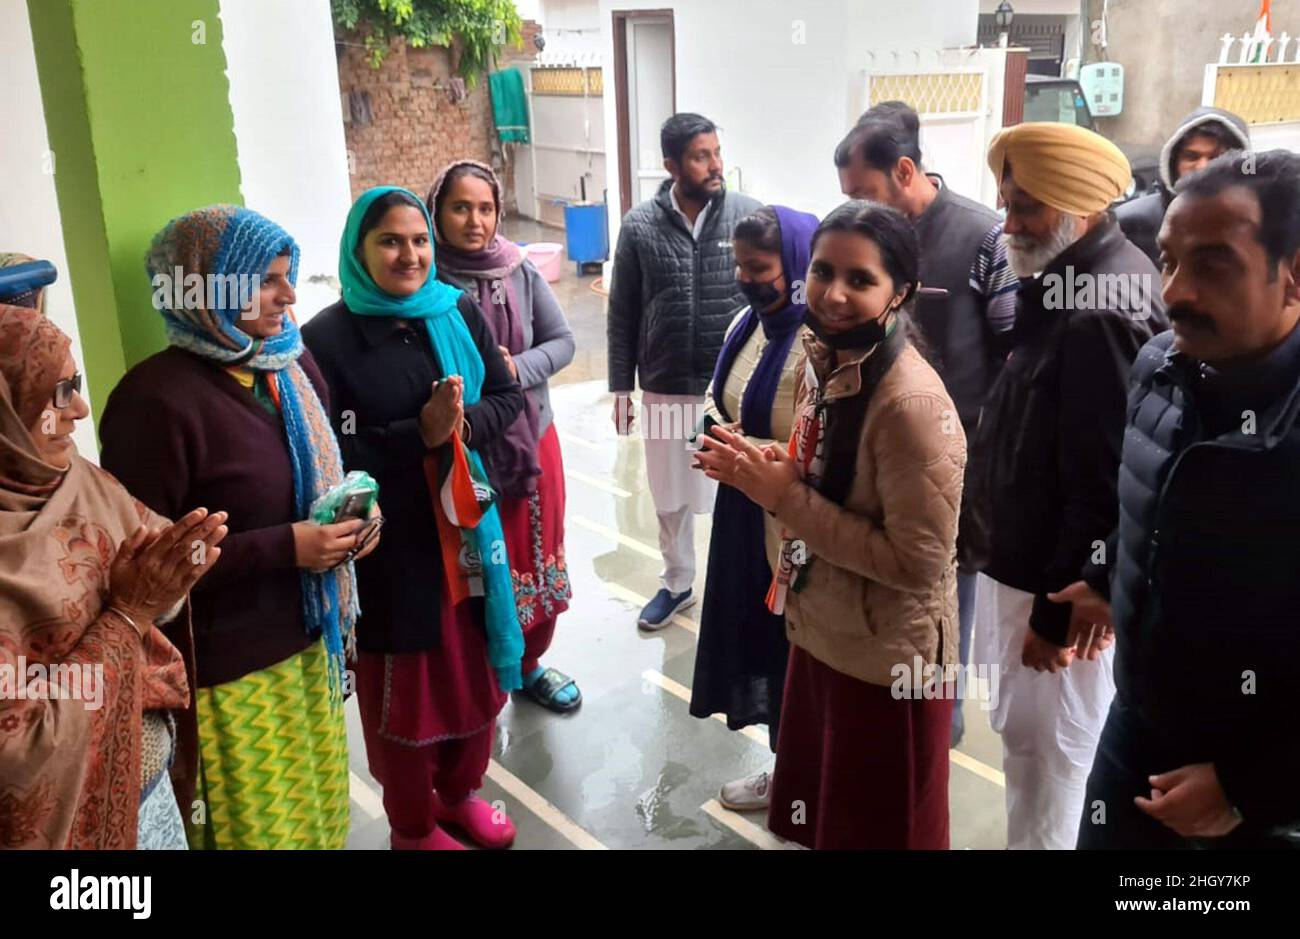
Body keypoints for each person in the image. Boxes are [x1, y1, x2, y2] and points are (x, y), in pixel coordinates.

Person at [99, 206, 376, 849]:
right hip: (227, 678)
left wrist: (356, 521)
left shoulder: (291, 371)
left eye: (289, 276)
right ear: (204, 288)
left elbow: (323, 485)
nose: (288, 296)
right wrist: (287, 548)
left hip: (311, 649)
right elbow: (143, 565)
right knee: (254, 835)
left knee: (317, 823)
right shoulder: (154, 403)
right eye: (265, 280)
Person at [696, 201, 965, 849]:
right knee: (828, 822)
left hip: (886, 664)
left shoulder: (912, 404)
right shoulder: (828, 358)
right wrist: (764, 466)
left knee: (880, 830)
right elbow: (821, 475)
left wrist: (784, 496)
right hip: (826, 633)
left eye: (860, 279)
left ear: (899, 291)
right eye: (822, 271)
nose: (834, 293)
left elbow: (917, 561)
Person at [1061, 151, 1300, 848]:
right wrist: (1113, 576)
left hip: (1256, 787)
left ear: (1293, 274)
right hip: (1134, 732)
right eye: (1167, 260)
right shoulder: (1159, 365)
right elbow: (1152, 489)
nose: (1174, 291)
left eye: (1213, 264)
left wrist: (1248, 784)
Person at [303, 187, 525, 850]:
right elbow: (328, 451)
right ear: (359, 250)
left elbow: (507, 395)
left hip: (470, 522)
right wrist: (417, 435)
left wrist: (455, 428)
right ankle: (412, 824)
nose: (410, 254)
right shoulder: (327, 338)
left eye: (419, 239)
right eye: (391, 241)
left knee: (475, 665)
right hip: (393, 545)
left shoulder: (454, 308)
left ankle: (459, 793)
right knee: (406, 690)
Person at [967, 123, 1168, 850]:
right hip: (1031, 569)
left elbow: (1109, 473)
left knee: (1050, 761)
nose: (1009, 224)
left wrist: (1060, 608)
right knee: (1034, 752)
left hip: (1053, 594)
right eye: (1006, 203)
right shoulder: (1068, 279)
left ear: (1081, 205)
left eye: (1029, 208)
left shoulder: (1098, 311)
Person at [0, 301, 228, 849]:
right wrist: (127, 615)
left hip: (150, 796)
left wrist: (169, 577)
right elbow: (15, 753)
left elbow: (156, 585)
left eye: (73, 384)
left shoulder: (76, 477)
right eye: (55, 394)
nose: (78, 408)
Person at [835, 101, 1017, 745]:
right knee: (879, 567)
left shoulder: (981, 236)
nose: (858, 205)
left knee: (948, 580)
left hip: (955, 456)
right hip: (874, 444)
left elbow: (1013, 351)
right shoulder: (868, 239)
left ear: (906, 171)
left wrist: (990, 449)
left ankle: (944, 711)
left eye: (866, 191)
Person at [426, 159, 578, 713]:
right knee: (480, 566)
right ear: (437, 212)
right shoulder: (425, 280)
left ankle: (530, 663)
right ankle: (482, 673)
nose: (475, 221)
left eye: (485, 208)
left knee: (536, 557)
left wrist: (515, 371)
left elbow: (562, 342)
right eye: (460, 207)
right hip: (463, 451)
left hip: (532, 442)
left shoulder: (518, 269)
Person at [607, 112, 762, 629]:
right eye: (701, 156)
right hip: (665, 386)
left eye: (717, 152)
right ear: (672, 165)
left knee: (737, 492)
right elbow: (623, 310)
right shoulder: (639, 226)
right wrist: (619, 386)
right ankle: (677, 583)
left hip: (729, 388)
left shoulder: (748, 217)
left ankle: (739, 589)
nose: (716, 164)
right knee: (670, 493)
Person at [688, 205, 817, 812]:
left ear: (795, 264)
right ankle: (786, 770)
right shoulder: (749, 323)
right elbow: (717, 400)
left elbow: (827, 444)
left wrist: (749, 451)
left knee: (799, 652)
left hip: (795, 524)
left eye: (760, 267)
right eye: (739, 266)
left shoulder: (821, 339)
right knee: (765, 645)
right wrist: (715, 433)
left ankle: (810, 781)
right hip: (744, 516)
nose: (747, 278)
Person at [1114, 107, 1250, 267]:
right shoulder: (1132, 222)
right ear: (1173, 163)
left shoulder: (1260, 225)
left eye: (1216, 157)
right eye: (1191, 157)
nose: (1202, 167)